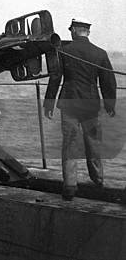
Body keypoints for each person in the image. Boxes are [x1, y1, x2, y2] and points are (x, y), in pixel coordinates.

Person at [44, 17, 116, 201]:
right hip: (91, 105)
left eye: (71, 31)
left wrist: (49, 103)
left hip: (69, 104)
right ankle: (98, 181)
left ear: (74, 31)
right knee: (93, 143)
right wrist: (110, 105)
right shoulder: (100, 53)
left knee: (69, 145)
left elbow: (55, 78)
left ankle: (69, 187)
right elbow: (108, 82)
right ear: (88, 32)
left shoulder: (64, 52)